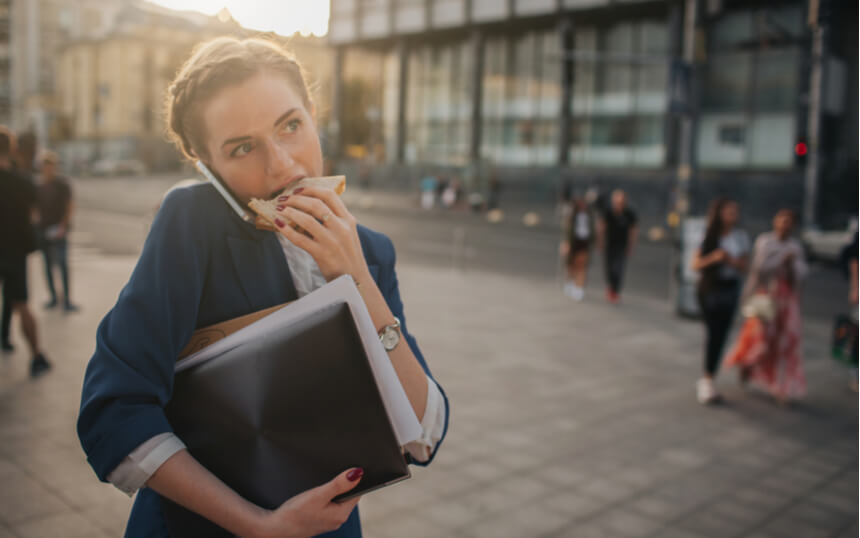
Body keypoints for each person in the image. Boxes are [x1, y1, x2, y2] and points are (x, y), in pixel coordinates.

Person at [77, 37, 449, 538]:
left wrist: (355, 278)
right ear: (204, 164)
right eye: (243, 148)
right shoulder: (192, 225)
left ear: (314, 115)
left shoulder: (371, 249)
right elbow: (112, 410)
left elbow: (424, 436)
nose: (282, 166)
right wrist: (258, 525)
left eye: (291, 126)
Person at [724, 209, 808, 405]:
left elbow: (801, 276)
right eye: (782, 220)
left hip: (786, 301)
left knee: (785, 343)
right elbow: (759, 269)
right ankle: (747, 363)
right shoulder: (765, 242)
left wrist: (790, 265)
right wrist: (781, 259)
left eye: (789, 221)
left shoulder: (795, 247)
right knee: (760, 339)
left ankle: (781, 385)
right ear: (775, 221)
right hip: (766, 298)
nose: (785, 224)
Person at [0, 127, 52, 375]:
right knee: (22, 305)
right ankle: (36, 356)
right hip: (15, 252)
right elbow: (34, 216)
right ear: (11, 150)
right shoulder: (23, 182)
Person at [691, 198, 750, 404]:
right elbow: (696, 264)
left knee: (721, 334)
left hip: (729, 289)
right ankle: (707, 380)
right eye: (729, 212)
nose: (733, 216)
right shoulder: (708, 235)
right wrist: (715, 257)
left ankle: (709, 378)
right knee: (714, 333)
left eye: (735, 212)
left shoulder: (740, 237)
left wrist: (730, 260)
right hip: (709, 289)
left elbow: (744, 266)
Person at [37, 150, 78, 312]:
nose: (48, 170)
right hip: (43, 229)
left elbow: (70, 206)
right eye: (45, 167)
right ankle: (53, 297)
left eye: (51, 166)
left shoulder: (62, 185)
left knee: (62, 264)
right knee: (47, 265)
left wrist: (63, 225)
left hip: (60, 230)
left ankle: (67, 299)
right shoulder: (39, 185)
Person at [597, 189, 638, 304]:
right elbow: (601, 227)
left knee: (618, 269)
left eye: (621, 201)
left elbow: (633, 231)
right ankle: (611, 288)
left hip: (621, 246)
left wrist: (631, 246)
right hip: (609, 245)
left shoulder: (629, 214)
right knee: (609, 268)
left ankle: (615, 290)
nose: (619, 203)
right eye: (617, 201)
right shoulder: (608, 212)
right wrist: (600, 242)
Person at [560, 197, 596, 301]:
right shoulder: (572, 217)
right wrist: (566, 244)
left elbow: (593, 232)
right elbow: (567, 232)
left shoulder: (590, 217)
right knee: (571, 266)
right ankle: (570, 282)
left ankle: (579, 288)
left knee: (582, 266)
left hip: (584, 243)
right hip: (573, 243)